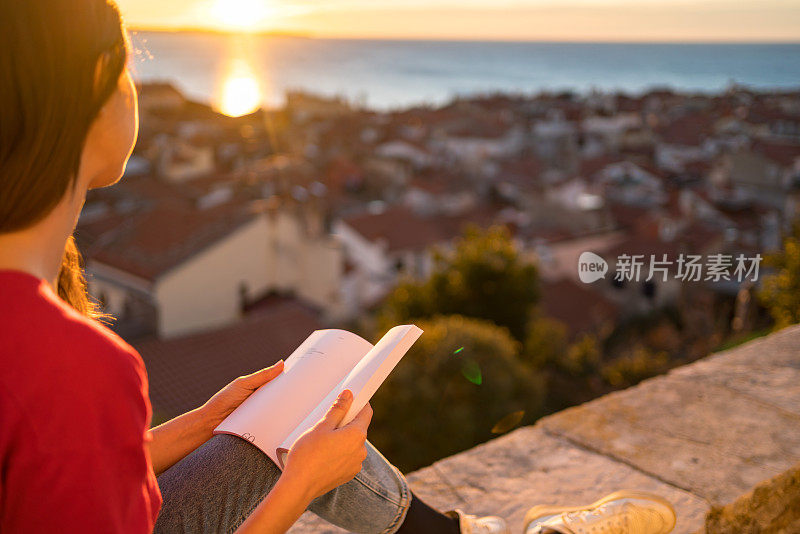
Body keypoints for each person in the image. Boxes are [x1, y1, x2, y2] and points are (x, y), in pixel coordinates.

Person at [0, 1, 677, 533]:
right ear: (94, 82)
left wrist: (206, 421)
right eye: (129, 68)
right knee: (301, 438)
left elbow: (48, 491)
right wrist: (302, 485)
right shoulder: (73, 366)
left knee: (296, 406)